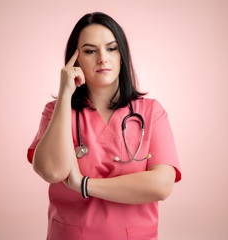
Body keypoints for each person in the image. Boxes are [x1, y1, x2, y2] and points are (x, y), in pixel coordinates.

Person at [27, 12, 181, 240]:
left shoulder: (151, 112)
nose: (102, 58)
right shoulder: (57, 111)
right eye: (90, 51)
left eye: (111, 48)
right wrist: (64, 95)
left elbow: (161, 186)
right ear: (75, 60)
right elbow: (51, 171)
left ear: (122, 55)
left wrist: (84, 184)